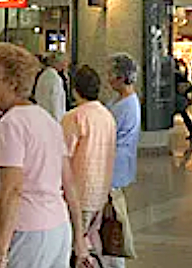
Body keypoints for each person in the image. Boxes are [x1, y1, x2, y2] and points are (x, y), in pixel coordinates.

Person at [0, 43, 94, 268]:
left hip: (27, 232)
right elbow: (68, 184)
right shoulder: (46, 120)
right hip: (58, 229)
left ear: (11, 83)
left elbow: (12, 190)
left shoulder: (12, 123)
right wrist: (79, 238)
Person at [62, 65, 116, 259]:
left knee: (74, 247)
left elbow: (63, 156)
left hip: (77, 193)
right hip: (100, 192)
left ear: (75, 89)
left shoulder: (74, 117)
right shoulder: (107, 116)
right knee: (91, 239)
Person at [104, 53, 141, 268]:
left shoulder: (126, 106)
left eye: (112, 75)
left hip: (115, 166)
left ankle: (115, 257)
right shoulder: (119, 101)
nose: (109, 79)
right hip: (114, 163)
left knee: (113, 215)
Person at [33, 51, 68, 122]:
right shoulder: (55, 78)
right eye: (64, 62)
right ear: (58, 63)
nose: (65, 65)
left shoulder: (43, 75)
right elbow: (56, 103)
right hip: (53, 118)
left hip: (41, 115)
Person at [174, 60, 192, 141]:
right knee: (184, 114)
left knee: (183, 114)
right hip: (181, 98)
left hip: (176, 98)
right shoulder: (180, 75)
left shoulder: (174, 75)